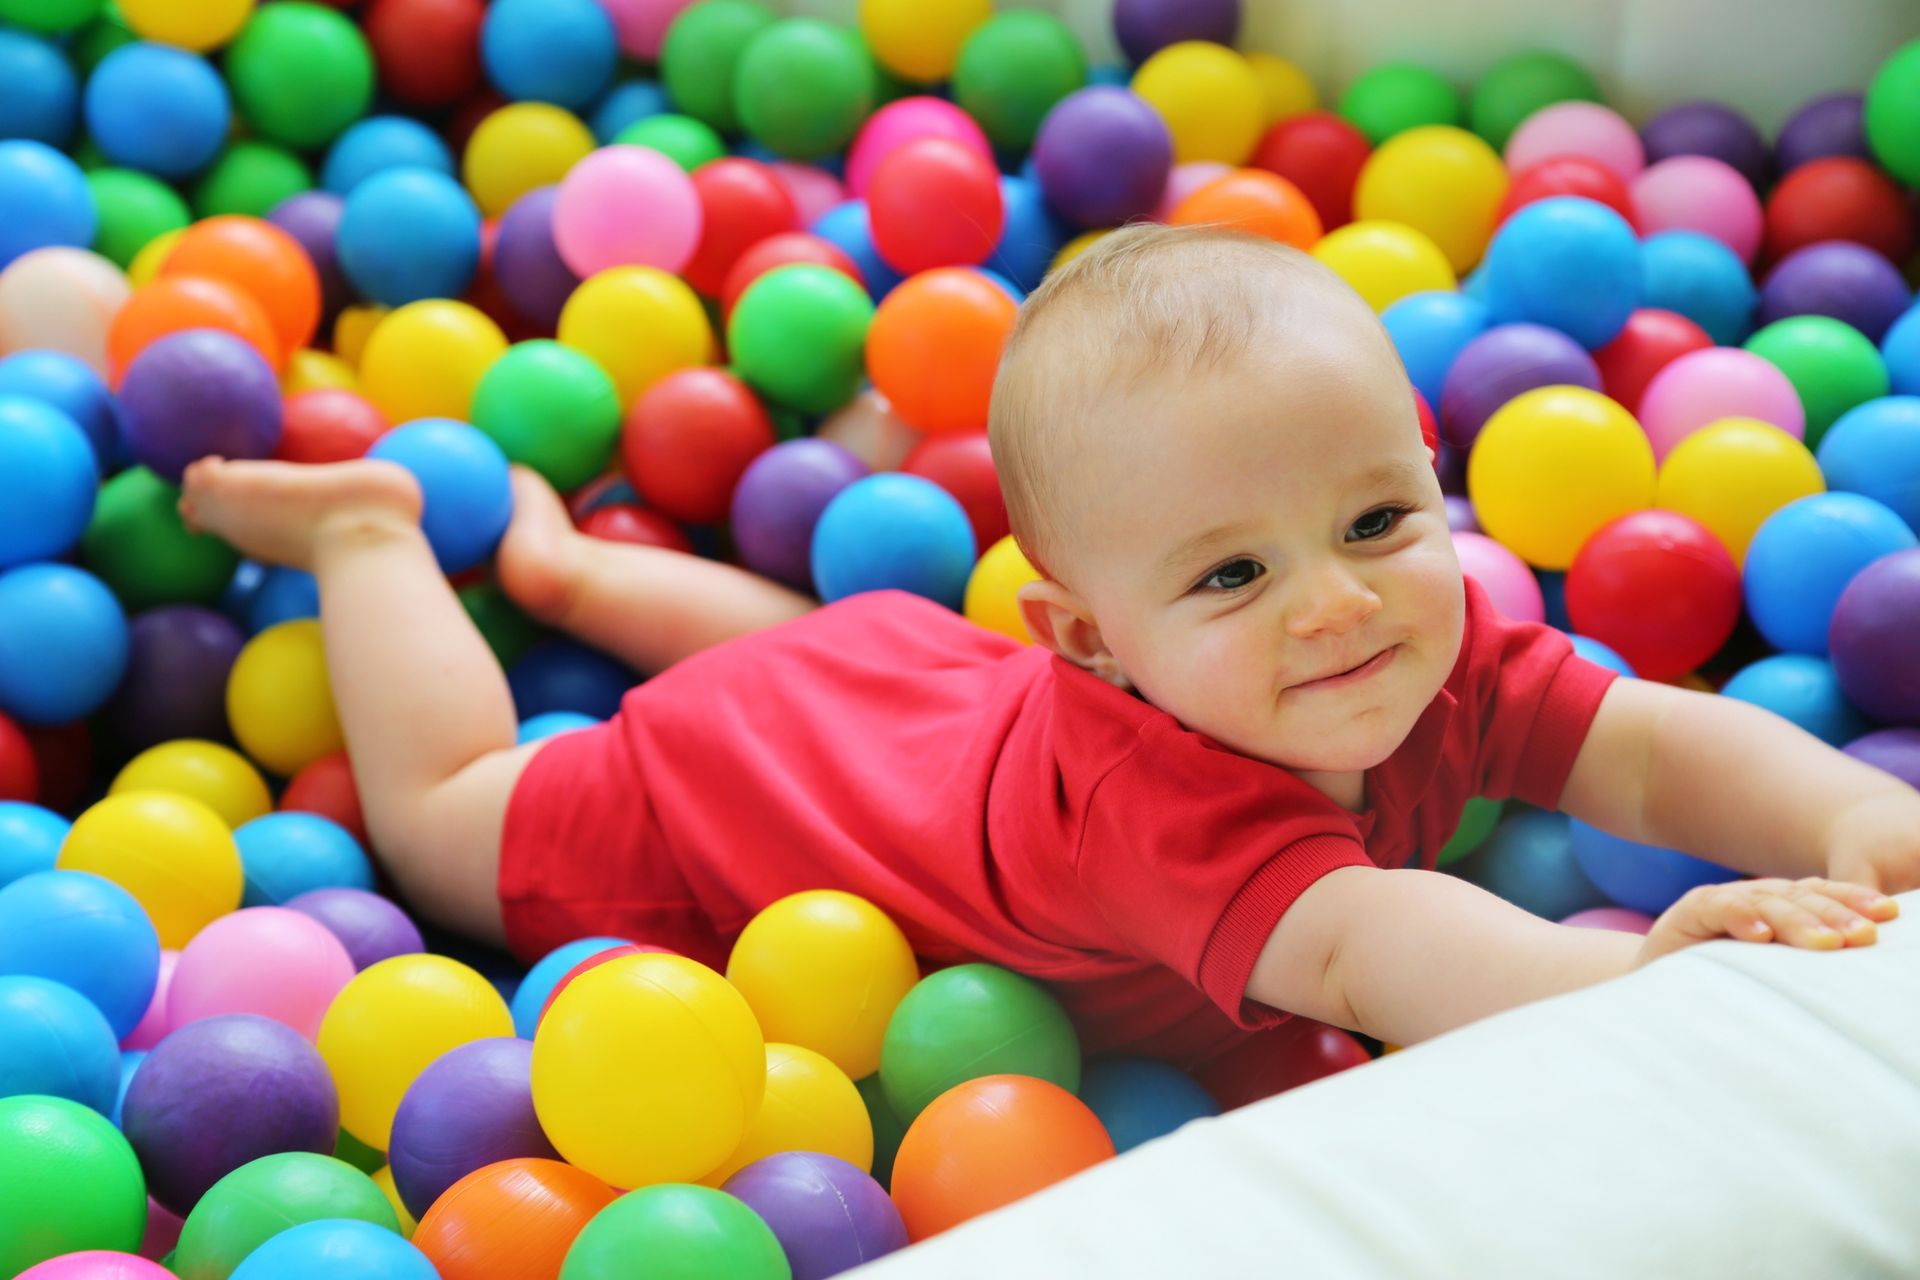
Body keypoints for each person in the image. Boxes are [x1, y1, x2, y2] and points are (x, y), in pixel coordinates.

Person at [178, 224, 1917, 1073]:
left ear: (1434, 483)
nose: (1337, 601)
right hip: (742, 780)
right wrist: (1641, 974)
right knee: (444, 809)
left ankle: (571, 582)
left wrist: (1845, 821)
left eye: (1382, 520)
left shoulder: (1415, 640)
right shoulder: (1164, 812)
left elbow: (1643, 747)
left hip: (892, 681)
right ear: (1092, 643)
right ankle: (373, 537)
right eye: (1232, 575)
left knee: (837, 647)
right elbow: (1391, 950)